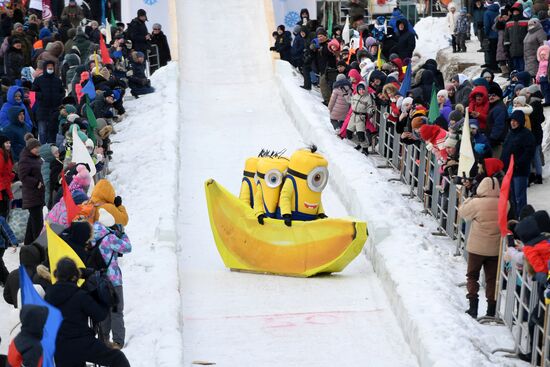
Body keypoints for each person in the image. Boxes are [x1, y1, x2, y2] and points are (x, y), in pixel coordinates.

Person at [45, 257, 131, 367]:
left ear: (57, 275)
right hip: (83, 344)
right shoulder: (80, 295)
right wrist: (102, 300)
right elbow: (100, 315)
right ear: (75, 276)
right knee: (118, 358)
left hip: (60, 348)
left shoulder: (48, 296)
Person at [458, 176, 501, 318]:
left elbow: (463, 212)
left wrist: (471, 197)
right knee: (492, 279)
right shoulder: (504, 203)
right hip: (495, 249)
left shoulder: (476, 203)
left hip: (476, 248)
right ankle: (491, 310)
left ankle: (473, 307)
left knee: (472, 276)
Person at [94, 209, 132, 349]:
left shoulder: (91, 235)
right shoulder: (110, 238)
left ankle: (103, 340)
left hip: (97, 280)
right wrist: (123, 234)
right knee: (116, 310)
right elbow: (127, 248)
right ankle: (118, 341)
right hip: (113, 280)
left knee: (103, 311)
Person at [501, 110, 535, 215]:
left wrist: (518, 164)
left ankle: (523, 218)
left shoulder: (527, 135)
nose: (513, 123)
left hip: (520, 171)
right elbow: (505, 150)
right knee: (512, 197)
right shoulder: (510, 133)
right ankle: (516, 218)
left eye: (515, 121)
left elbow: (529, 152)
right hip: (509, 171)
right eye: (512, 120)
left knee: (520, 197)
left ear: (520, 121)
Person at [18, 135, 45, 246]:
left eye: (39, 148)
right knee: (37, 222)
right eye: (36, 148)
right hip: (32, 194)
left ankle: (29, 244)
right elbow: (23, 176)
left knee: (33, 221)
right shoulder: (25, 159)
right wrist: (36, 182)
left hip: (37, 194)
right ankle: (39, 246)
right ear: (30, 149)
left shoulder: (36, 158)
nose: (38, 150)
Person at [32, 60, 65, 144]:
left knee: (53, 131)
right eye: (48, 66)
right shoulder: (39, 80)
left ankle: (52, 148)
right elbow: (33, 92)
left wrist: (59, 97)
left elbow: (62, 91)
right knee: (42, 132)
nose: (50, 68)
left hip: (54, 110)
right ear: (45, 68)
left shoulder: (57, 80)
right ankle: (43, 148)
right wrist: (41, 96)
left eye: (52, 66)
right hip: (42, 109)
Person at [504, 2, 528, 72]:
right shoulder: (508, 23)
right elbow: (506, 36)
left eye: (516, 11)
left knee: (522, 65)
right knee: (514, 66)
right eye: (514, 11)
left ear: (520, 11)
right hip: (512, 49)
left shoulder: (527, 21)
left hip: (523, 49)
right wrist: (506, 47)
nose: (515, 12)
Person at [0, 135, 14, 218]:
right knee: (3, 213)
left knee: (5, 212)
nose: (9, 144)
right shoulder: (1, 155)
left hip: (5, 186)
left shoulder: (6, 154)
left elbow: (6, 172)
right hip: (2, 188)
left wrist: (12, 175)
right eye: (6, 143)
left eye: (9, 143)